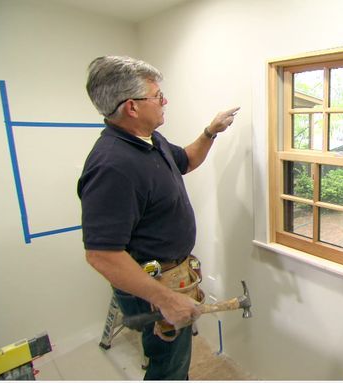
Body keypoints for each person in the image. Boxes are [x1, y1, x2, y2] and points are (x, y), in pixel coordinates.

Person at [77, 55, 239, 380]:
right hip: (154, 286)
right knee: (168, 366)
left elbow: (187, 161)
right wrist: (166, 300)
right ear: (132, 107)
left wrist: (210, 131)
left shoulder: (149, 139)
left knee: (175, 358)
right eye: (157, 96)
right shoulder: (112, 166)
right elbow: (102, 255)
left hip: (173, 274)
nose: (165, 101)